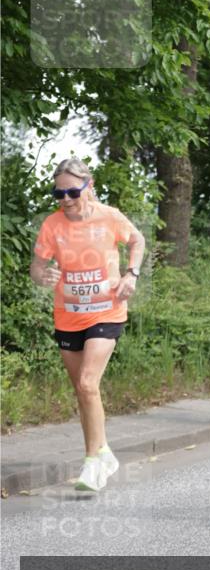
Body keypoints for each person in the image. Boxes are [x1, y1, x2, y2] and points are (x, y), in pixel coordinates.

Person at [30, 158, 145, 492]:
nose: (65, 199)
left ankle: (92, 463)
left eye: (72, 191)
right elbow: (37, 268)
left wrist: (131, 273)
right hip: (68, 315)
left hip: (106, 312)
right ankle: (104, 452)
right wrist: (44, 276)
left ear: (88, 185)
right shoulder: (52, 225)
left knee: (87, 382)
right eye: (58, 193)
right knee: (83, 391)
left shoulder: (109, 216)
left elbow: (136, 240)